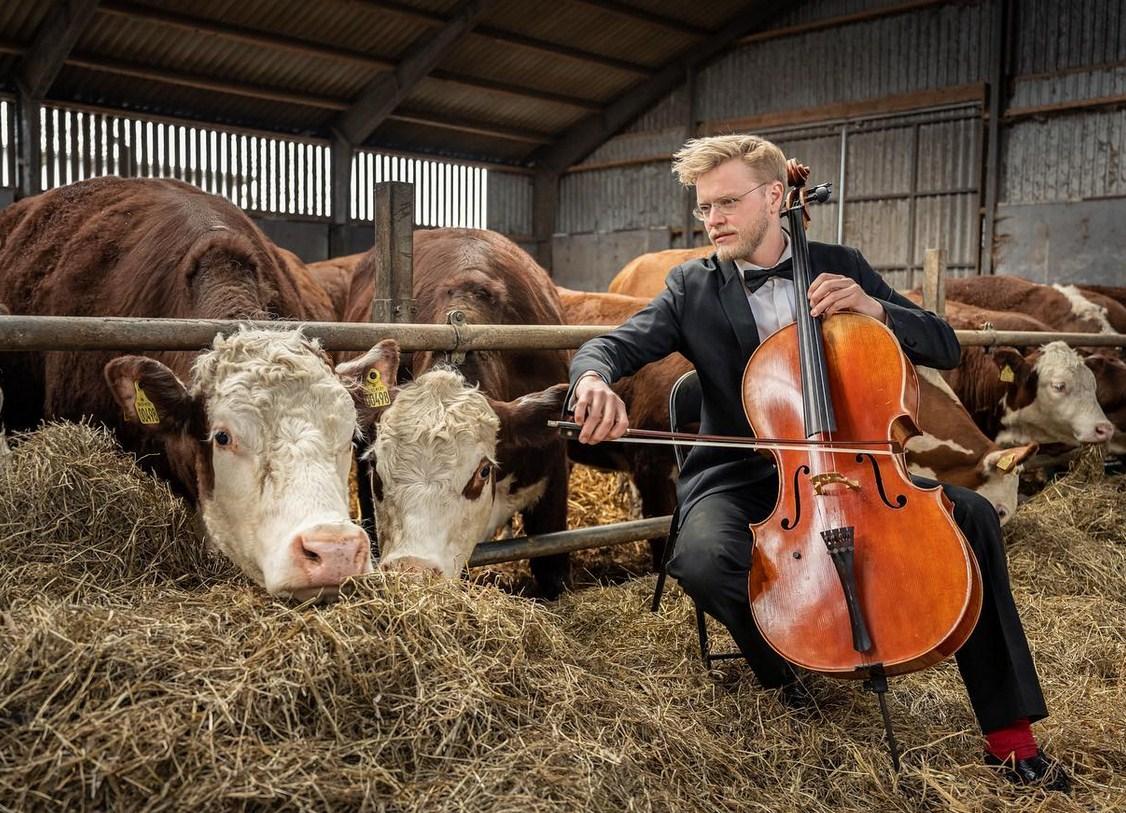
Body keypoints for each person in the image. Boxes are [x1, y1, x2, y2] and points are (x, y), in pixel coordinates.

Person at [566, 134, 1069, 791]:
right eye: (705, 207)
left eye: (726, 202)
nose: (711, 219)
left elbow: (945, 346)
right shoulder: (691, 285)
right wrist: (592, 381)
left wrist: (875, 308)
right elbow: (610, 345)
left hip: (859, 468)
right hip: (741, 474)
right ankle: (794, 674)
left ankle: (1010, 737)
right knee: (700, 557)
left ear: (775, 197)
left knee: (971, 517)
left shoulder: (842, 265)